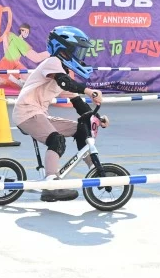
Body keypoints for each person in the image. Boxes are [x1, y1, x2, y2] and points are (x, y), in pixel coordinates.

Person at [12, 25, 108, 202]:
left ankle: (93, 171)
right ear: (65, 49)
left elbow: (78, 104)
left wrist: (96, 118)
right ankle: (51, 184)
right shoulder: (53, 63)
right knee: (56, 140)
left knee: (81, 128)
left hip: (39, 114)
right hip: (26, 112)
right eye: (77, 51)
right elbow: (65, 83)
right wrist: (89, 91)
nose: (80, 56)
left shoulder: (62, 71)